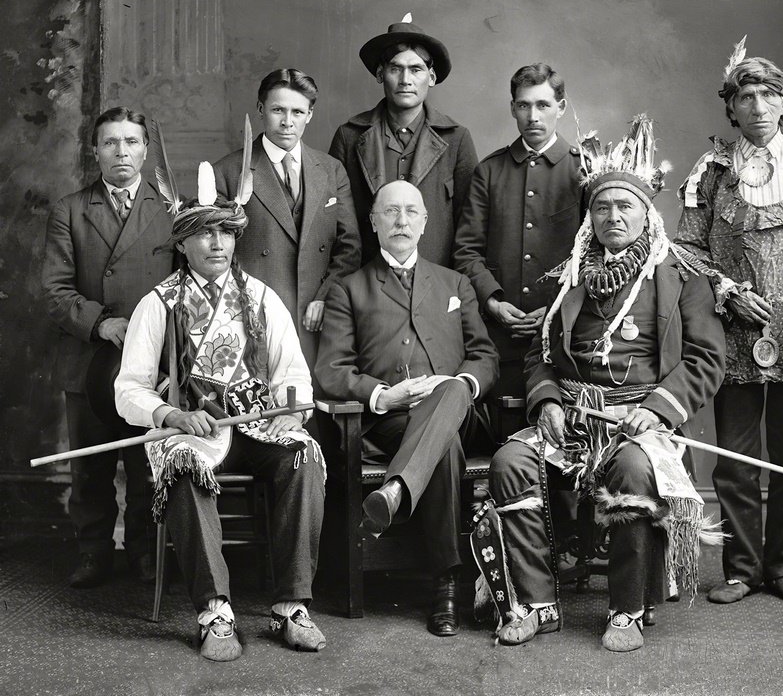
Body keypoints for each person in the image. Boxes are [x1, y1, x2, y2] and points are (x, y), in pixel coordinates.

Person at [477, 117, 725, 652]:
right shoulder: (570, 274)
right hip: (571, 415)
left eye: (625, 207)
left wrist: (658, 410)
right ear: (590, 215)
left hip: (638, 420)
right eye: (603, 207)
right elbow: (542, 355)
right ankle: (536, 603)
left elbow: (707, 359)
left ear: (646, 214)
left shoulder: (681, 276)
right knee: (510, 462)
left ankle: (626, 612)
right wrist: (544, 401)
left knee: (635, 468)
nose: (614, 216)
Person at [115, 161, 326, 662]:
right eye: (204, 233)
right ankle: (214, 612)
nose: (217, 243)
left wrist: (290, 415)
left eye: (225, 232)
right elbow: (128, 390)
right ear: (182, 243)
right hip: (193, 429)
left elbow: (295, 377)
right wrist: (170, 417)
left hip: (256, 425)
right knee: (184, 464)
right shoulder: (158, 305)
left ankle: (291, 606)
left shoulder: (262, 300)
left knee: (303, 455)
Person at [676, 38, 783, 605]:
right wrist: (725, 291)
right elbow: (685, 249)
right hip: (732, 338)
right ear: (731, 108)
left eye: (767, 95)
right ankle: (740, 569)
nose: (756, 106)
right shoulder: (712, 169)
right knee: (735, 460)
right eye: (745, 96)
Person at [316, 179, 498, 637]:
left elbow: (485, 356)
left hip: (461, 411)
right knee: (446, 449)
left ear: (424, 222)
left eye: (410, 212)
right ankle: (446, 588)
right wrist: (383, 395)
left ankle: (396, 491)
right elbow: (332, 368)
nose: (401, 220)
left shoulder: (456, 282)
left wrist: (461, 383)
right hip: (389, 423)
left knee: (454, 391)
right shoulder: (349, 289)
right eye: (390, 212)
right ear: (373, 222)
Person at [42, 107, 173, 588]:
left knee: (146, 464)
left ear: (145, 149)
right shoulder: (71, 209)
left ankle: (144, 549)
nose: (122, 152)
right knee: (91, 466)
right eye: (111, 142)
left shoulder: (169, 209)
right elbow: (55, 291)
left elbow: (185, 286)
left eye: (132, 142)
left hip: (151, 361)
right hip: (88, 357)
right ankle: (94, 550)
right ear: (94, 150)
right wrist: (102, 324)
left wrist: (147, 335)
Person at [454, 62, 582, 408]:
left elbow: (596, 256)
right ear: (512, 108)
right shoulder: (490, 171)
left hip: (566, 335)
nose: (533, 116)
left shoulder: (582, 170)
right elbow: (466, 250)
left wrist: (557, 308)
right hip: (499, 336)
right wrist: (493, 303)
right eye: (524, 105)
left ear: (561, 107)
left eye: (543, 105)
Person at [213, 68, 360, 367]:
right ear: (260, 110)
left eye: (297, 111)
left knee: (309, 405)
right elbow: (215, 253)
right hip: (253, 317)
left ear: (310, 115)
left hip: (315, 317)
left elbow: (350, 247)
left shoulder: (331, 170)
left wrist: (325, 296)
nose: (287, 122)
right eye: (278, 110)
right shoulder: (228, 172)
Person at [329, 13, 478, 267]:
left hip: (435, 282)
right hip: (365, 280)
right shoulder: (350, 136)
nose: (405, 80)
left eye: (416, 69)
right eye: (395, 68)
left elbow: (470, 226)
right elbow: (333, 221)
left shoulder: (456, 138)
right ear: (380, 74)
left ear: (431, 77)